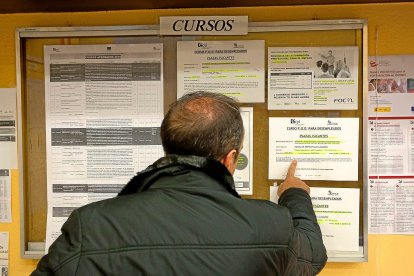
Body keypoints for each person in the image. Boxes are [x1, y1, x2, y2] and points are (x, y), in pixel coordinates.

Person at [32, 91, 327, 275]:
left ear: (168, 148)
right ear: (230, 158)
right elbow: (313, 254)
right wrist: (295, 194)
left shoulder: (92, 224)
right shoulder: (270, 225)